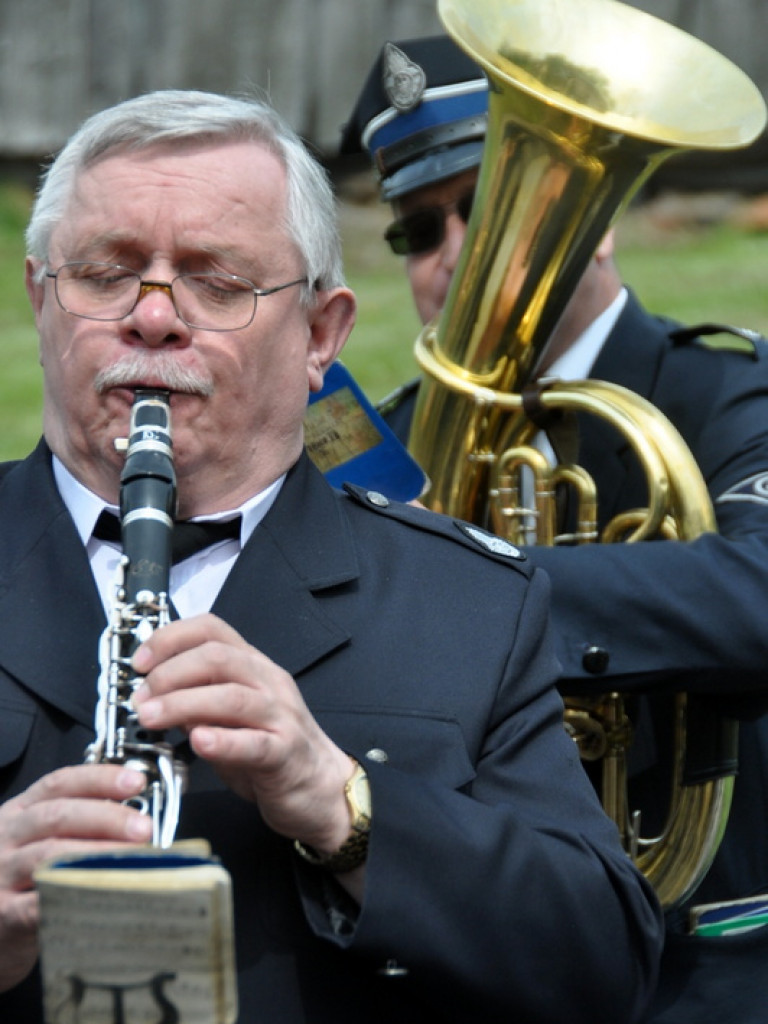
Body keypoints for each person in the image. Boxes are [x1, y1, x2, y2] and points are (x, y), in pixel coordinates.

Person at [0, 89, 663, 1023]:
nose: (152, 319)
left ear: (320, 335)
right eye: (105, 275)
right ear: (41, 299)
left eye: (216, 282)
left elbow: (603, 970)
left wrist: (346, 804)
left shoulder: (470, 603)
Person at [340, 34, 768, 1024]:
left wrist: (470, 581)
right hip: (459, 955)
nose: (450, 256)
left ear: (600, 218)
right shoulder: (387, 441)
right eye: (415, 231)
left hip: (700, 966)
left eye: (482, 209)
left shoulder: (724, 390)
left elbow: (756, 595)